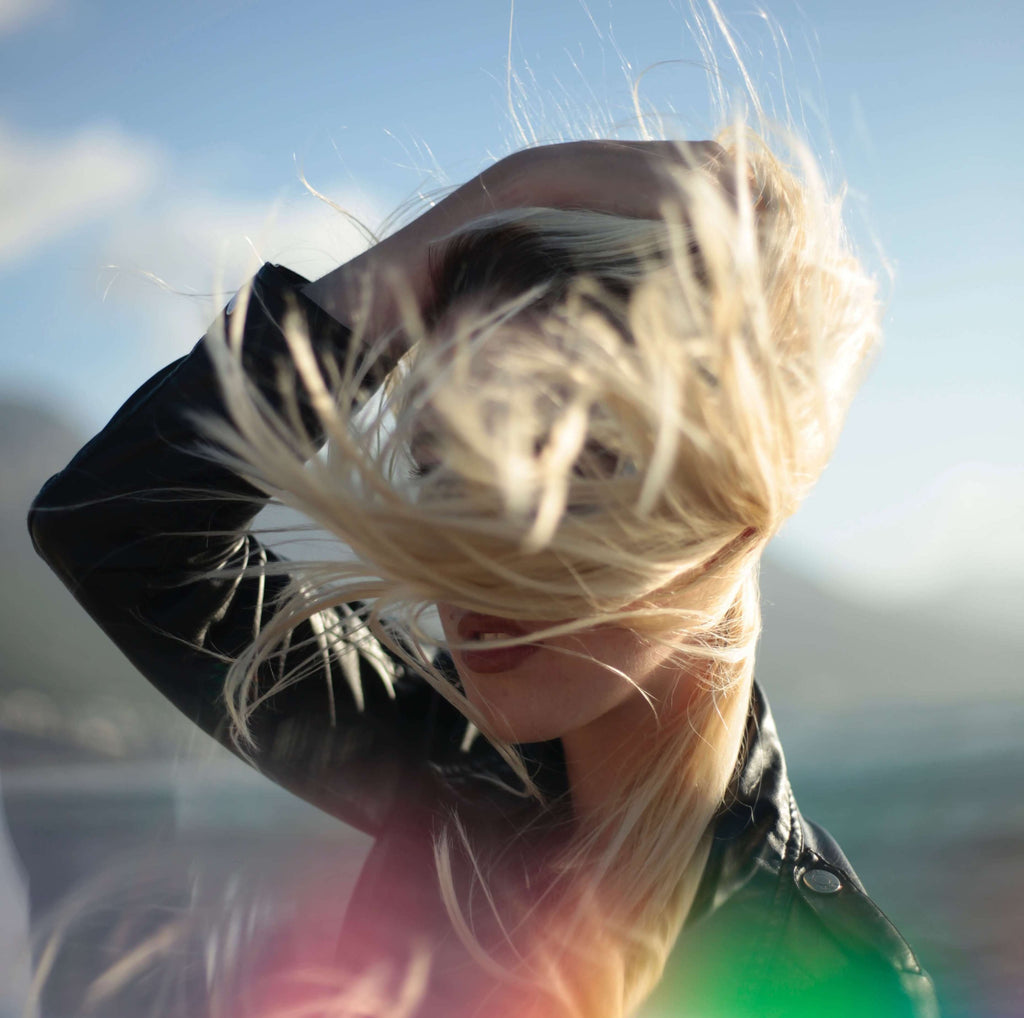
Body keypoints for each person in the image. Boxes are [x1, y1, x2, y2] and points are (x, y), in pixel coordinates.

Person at [29, 135, 939, 1018]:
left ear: (733, 502)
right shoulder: (458, 770)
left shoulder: (828, 975)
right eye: (441, 471)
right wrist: (505, 191)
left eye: (571, 470)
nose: (467, 554)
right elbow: (121, 528)